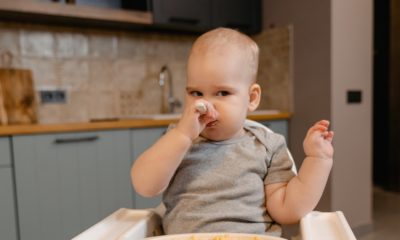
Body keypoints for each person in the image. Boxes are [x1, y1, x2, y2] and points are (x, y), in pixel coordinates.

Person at [131, 27, 334, 236]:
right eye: (196, 92)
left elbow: (286, 209)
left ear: (252, 98)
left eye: (222, 93)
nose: (205, 104)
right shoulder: (178, 140)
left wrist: (318, 160)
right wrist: (182, 135)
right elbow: (145, 185)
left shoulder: (267, 146)